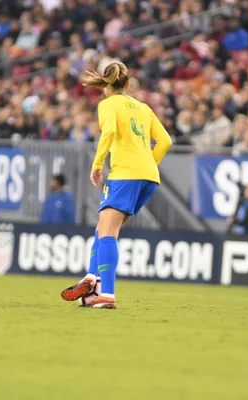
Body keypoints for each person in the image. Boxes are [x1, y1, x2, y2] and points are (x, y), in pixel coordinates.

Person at [60, 62, 173, 309]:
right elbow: (164, 141)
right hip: (149, 177)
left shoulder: (107, 104)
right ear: (128, 84)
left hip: (125, 175)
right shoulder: (143, 107)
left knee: (108, 232)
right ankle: (92, 278)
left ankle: (107, 294)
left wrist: (97, 163)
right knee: (104, 228)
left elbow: (109, 131)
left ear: (105, 84)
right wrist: (147, 165)